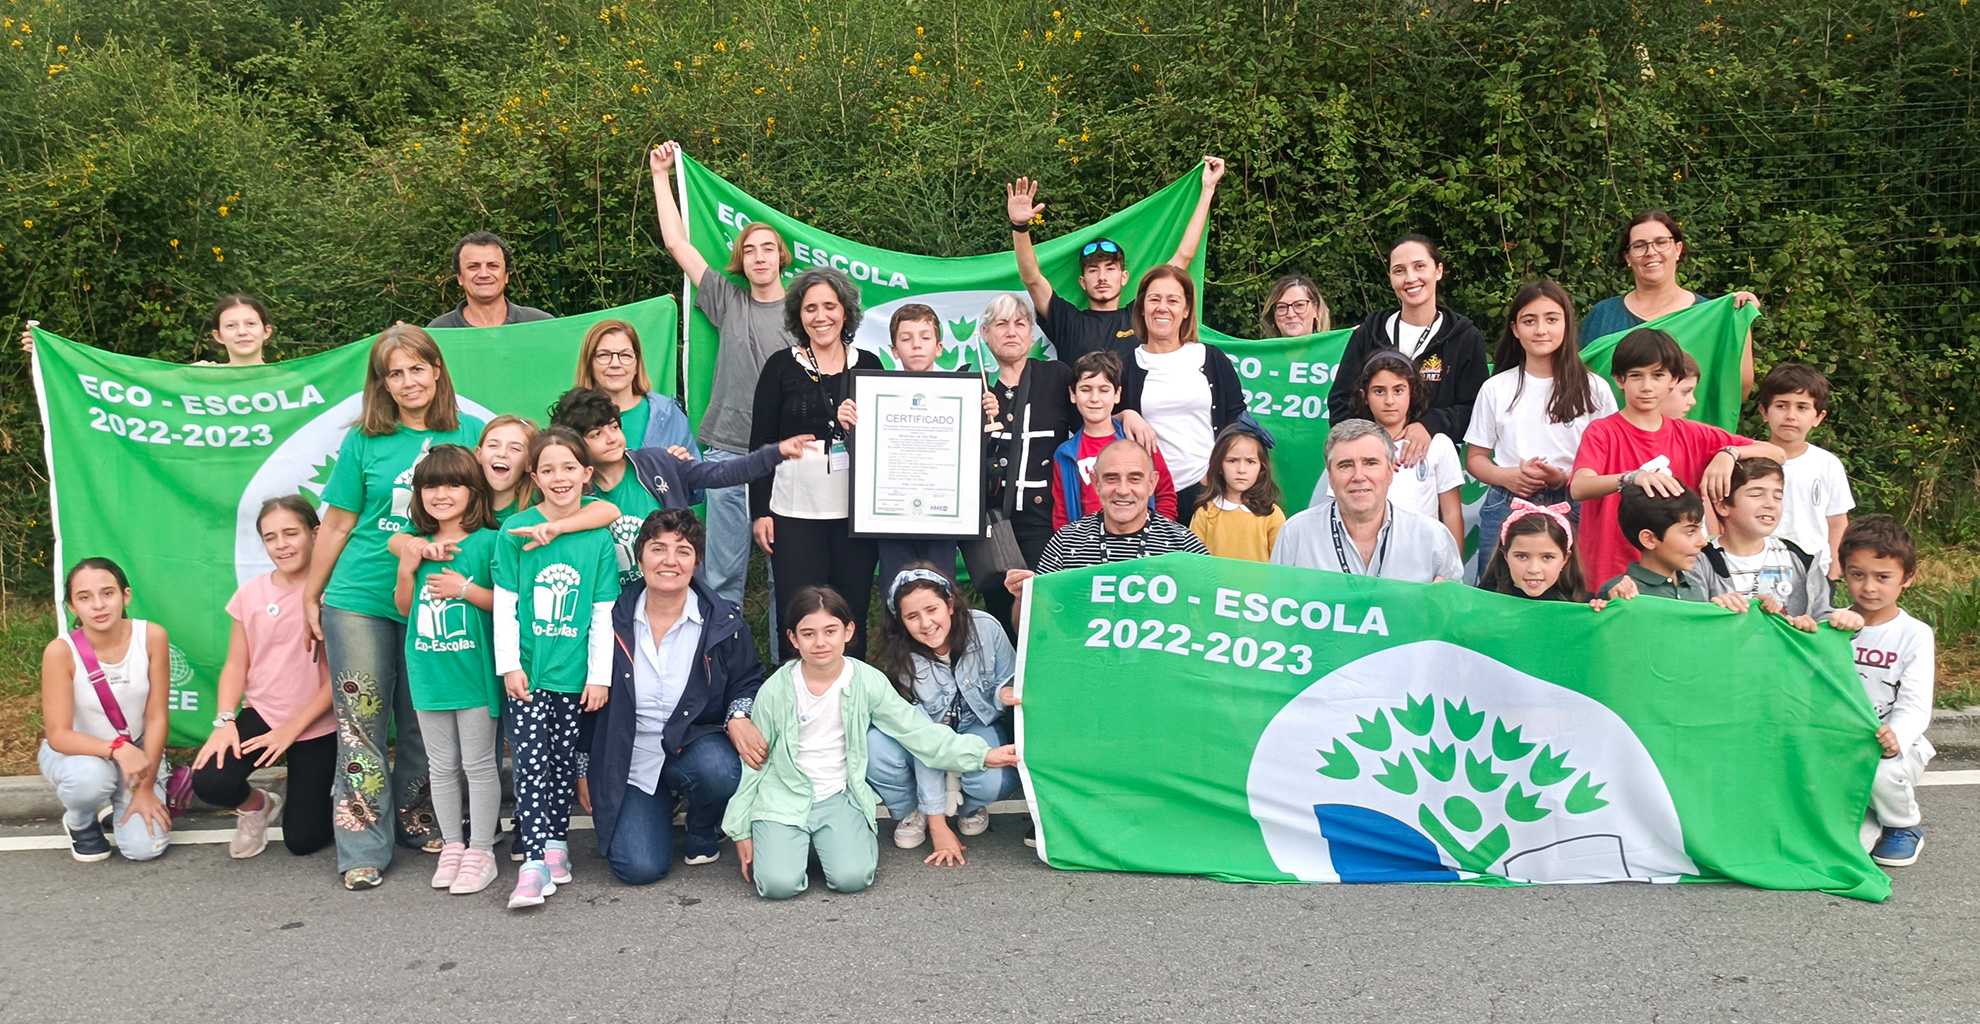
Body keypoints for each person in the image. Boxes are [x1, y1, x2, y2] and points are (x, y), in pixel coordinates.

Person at [305, 324, 485, 890]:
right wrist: (312, 592)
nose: (408, 382)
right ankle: (361, 842)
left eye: (417, 368)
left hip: (442, 599)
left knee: (421, 721)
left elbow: (506, 509)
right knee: (361, 723)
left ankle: (416, 817)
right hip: (362, 598)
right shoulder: (364, 440)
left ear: (437, 369)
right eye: (395, 373)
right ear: (383, 384)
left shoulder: (473, 432)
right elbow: (336, 522)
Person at [723, 585, 1019, 900]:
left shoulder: (866, 680)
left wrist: (982, 755)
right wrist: (741, 828)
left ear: (848, 631)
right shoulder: (776, 688)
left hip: (838, 796)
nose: (820, 642)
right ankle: (787, 841)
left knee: (853, 878)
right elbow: (755, 760)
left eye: (830, 630)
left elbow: (917, 731)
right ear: (793, 639)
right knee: (776, 885)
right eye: (808, 634)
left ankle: (840, 834)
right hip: (782, 798)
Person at [580, 509, 767, 886]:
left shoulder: (723, 621)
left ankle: (702, 826)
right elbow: (586, 698)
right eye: (657, 548)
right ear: (640, 556)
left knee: (720, 771)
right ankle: (657, 804)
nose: (669, 561)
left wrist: (738, 716)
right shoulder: (608, 618)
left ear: (697, 561)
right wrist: (584, 767)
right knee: (640, 869)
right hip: (629, 754)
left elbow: (748, 678)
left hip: (693, 744)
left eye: (683, 550)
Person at [652, 140, 794, 606]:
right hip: (727, 450)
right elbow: (677, 243)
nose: (758, 257)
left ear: (781, 257)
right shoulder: (726, 300)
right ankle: (720, 662)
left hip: (786, 455)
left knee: (787, 574)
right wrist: (661, 175)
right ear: (741, 260)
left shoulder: (806, 313)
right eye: (749, 250)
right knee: (724, 572)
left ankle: (785, 666)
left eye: (767, 249)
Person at [494, 427, 620, 908]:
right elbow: (505, 604)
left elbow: (602, 613)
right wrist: (509, 665)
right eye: (547, 469)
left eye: (569, 468)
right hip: (528, 673)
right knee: (529, 763)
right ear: (534, 476)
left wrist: (598, 675)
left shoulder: (597, 538)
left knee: (563, 762)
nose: (559, 477)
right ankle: (531, 863)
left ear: (587, 474)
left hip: (575, 675)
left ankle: (556, 845)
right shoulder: (515, 531)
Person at [1569, 328, 1783, 589]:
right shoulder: (1602, 431)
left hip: (1677, 580)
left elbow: (1777, 452)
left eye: (1658, 375)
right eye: (1636, 376)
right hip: (1611, 577)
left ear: (1673, 380)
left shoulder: (1695, 435)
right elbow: (1580, 487)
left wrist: (1729, 453)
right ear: (1619, 379)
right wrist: (1632, 477)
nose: (1647, 386)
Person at [191, 497, 336, 860]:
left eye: (291, 533)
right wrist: (225, 720)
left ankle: (328, 793)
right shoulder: (251, 593)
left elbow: (342, 679)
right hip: (265, 712)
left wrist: (292, 731)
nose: (282, 545)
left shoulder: (334, 592)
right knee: (210, 781)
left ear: (315, 533)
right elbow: (236, 665)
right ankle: (258, 805)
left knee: (303, 841)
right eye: (271, 538)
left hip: (318, 723)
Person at [550, 385, 806, 586]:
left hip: (674, 595)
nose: (611, 438)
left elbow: (721, 473)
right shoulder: (573, 493)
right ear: (576, 446)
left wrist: (774, 453)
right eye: (596, 434)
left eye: (614, 427)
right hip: (612, 610)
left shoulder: (658, 462)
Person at [749, 267, 880, 659]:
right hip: (793, 511)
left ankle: (851, 699)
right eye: (810, 309)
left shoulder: (869, 363)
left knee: (851, 609)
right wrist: (760, 511)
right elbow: (760, 443)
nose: (820, 317)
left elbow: (884, 440)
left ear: (845, 312)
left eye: (829, 306)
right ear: (798, 315)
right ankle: (793, 704)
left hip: (855, 516)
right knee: (797, 610)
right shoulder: (780, 366)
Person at [392, 445, 503, 895]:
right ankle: (452, 845)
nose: (441, 493)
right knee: (440, 767)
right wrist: (407, 567)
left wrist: (466, 589)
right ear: (418, 494)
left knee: (477, 765)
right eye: (431, 485)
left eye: (453, 484)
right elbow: (405, 607)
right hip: (428, 673)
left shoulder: (487, 542)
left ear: (473, 490)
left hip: (474, 674)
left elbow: (507, 606)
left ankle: (481, 850)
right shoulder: (416, 543)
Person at [835, 303, 999, 586]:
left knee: (941, 595)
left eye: (925, 337)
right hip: (891, 521)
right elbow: (865, 458)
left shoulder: (963, 397)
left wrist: (985, 419)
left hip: (944, 519)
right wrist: (850, 428)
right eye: (906, 338)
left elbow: (971, 456)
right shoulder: (875, 397)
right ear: (894, 350)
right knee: (896, 596)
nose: (916, 345)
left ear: (939, 347)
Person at [1005, 156, 1226, 362]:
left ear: (1124, 277)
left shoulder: (1141, 314)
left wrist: (1208, 189)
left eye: (1110, 269)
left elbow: (1183, 257)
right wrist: (1019, 226)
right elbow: (1032, 278)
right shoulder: (1067, 321)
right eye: (1093, 270)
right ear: (1082, 281)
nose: (1102, 277)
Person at [871, 565, 1021, 866]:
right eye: (912, 616)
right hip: (924, 736)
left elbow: (1010, 677)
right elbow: (922, 738)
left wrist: (1002, 694)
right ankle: (912, 809)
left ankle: (968, 806)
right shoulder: (900, 655)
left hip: (975, 723)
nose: (926, 623)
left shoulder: (986, 627)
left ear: (950, 604)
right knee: (873, 747)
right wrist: (937, 824)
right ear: (900, 621)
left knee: (996, 778)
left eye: (932, 609)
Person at [1465, 280, 1616, 567]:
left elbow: (1608, 461)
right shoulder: (1496, 388)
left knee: (1571, 597)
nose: (1541, 330)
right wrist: (1507, 476)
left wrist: (1565, 478)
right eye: (1529, 321)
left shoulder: (1593, 388)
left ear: (1567, 324)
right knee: (1498, 596)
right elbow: (1476, 458)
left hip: (1574, 503)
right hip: (1508, 502)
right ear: (1515, 329)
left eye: (1551, 319)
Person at [39, 559, 173, 863]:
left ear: (126, 596)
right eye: (85, 597)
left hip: (138, 751)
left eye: (107, 593)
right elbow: (58, 735)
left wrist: (146, 786)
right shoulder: (60, 652)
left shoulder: (152, 636)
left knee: (144, 849)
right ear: (72, 607)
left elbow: (157, 717)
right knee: (91, 779)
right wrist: (115, 749)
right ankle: (80, 820)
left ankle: (122, 801)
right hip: (79, 753)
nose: (98, 605)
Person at [1326, 234, 1489, 457]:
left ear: (1438, 270)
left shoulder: (1464, 337)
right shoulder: (1370, 333)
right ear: (1391, 278)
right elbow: (1339, 402)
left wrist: (1430, 425)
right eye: (1399, 270)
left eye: (1419, 266)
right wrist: (1372, 441)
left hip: (1432, 466)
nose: (1410, 278)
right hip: (1369, 460)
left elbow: (1476, 409)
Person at [1006, 440, 1210, 617]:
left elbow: (1214, 618)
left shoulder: (1184, 546)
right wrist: (1023, 599)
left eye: (1134, 479)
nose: (1122, 490)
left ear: (1152, 483)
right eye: (1111, 478)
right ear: (1096, 483)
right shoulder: (1066, 542)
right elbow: (1031, 628)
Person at [1834, 515, 1935, 867]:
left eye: (1883, 577)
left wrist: (1898, 736)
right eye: (1857, 574)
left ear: (1907, 578)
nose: (1869, 588)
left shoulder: (1914, 634)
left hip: (1891, 748)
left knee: (1877, 772)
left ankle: (1902, 825)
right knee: (1849, 848)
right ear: (1843, 571)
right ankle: (1869, 815)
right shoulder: (1831, 624)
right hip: (1839, 743)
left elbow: (1915, 704)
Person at [978, 293, 1080, 629]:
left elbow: (1093, 425)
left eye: (1020, 323)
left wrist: (1127, 417)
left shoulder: (1057, 376)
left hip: (1043, 520)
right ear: (984, 333)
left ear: (1032, 334)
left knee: (1042, 613)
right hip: (990, 524)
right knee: (1001, 614)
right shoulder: (973, 385)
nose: (1011, 331)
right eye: (1001, 324)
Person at [1577, 209, 1758, 398]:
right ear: (1628, 258)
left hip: (1686, 427)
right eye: (1639, 246)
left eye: (1661, 242)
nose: (1651, 252)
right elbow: (1576, 384)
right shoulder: (1603, 315)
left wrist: (1741, 321)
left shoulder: (1711, 319)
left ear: (1678, 249)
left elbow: (1739, 392)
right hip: (1614, 427)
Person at [1116, 265, 1246, 522]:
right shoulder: (1126, 366)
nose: (1162, 307)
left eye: (1173, 300)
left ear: (1186, 310)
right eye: (1154, 299)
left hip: (1208, 490)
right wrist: (1124, 414)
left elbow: (1238, 421)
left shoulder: (1212, 359)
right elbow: (1096, 421)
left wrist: (1218, 472)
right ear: (1142, 307)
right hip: (1151, 495)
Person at [1271, 419, 1463, 583]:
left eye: (1370, 463)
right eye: (1345, 465)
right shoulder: (1295, 534)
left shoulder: (1432, 538)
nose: (1359, 476)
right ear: (1330, 477)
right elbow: (1275, 610)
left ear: (1390, 472)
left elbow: (1457, 612)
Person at [1321, 350, 1464, 553]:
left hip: (1421, 556)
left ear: (1412, 392)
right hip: (1362, 557)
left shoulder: (1439, 445)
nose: (1389, 400)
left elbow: (1451, 513)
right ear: (1364, 396)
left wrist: (1453, 571)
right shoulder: (1350, 446)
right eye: (1379, 391)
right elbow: (1339, 508)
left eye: (1398, 390)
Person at [1687, 458, 1854, 632]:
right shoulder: (1698, 560)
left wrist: (1832, 622)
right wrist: (1716, 609)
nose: (1770, 504)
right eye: (1756, 494)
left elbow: (1823, 617)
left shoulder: (1800, 558)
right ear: (1723, 506)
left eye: (1778, 496)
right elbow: (1690, 622)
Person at [1050, 350, 1177, 531]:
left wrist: (1157, 538)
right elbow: (1062, 515)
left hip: (1143, 547)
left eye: (1104, 390)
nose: (1095, 398)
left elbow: (1164, 494)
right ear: (1073, 394)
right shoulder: (1065, 454)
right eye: (1086, 389)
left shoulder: (1139, 438)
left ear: (1117, 394)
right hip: (1089, 550)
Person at [1756, 363, 1853, 578]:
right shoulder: (1750, 459)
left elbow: (1837, 523)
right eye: (1781, 406)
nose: (1791, 415)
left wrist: (1834, 572)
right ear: (1764, 411)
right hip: (1757, 565)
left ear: (1818, 417)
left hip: (1815, 570)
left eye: (1802, 407)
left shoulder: (1828, 464)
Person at [1595, 483, 1750, 611]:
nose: (1702, 542)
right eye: (1690, 532)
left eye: (1700, 530)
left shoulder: (1693, 588)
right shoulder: (1619, 591)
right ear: (1649, 539)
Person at [21, 293, 279, 365]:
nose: (242, 332)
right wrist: (48, 356)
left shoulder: (293, 383)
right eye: (231, 326)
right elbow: (126, 390)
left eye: (250, 324)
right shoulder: (200, 377)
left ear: (266, 331)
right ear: (218, 336)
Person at [573, 318, 698, 456]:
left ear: (637, 365)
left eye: (625, 355)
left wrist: (687, 467)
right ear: (589, 364)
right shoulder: (572, 418)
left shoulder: (668, 414)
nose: (615, 363)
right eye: (604, 355)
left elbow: (699, 474)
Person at [1189, 424, 1286, 563]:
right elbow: (1195, 562)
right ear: (1220, 466)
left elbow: (1280, 565)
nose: (1241, 469)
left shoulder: (1271, 515)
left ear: (1261, 468)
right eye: (1232, 461)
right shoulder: (1205, 513)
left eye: (1250, 462)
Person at [1475, 501, 1593, 604]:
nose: (1534, 569)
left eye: (1547, 557)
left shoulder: (1581, 604)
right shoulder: (1483, 600)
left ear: (1565, 559)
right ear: (1506, 556)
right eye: (1522, 556)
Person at [427, 231, 553, 328]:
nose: (484, 274)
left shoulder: (541, 325)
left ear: (506, 275)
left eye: (493, 266)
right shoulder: (438, 332)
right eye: (473, 266)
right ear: (460, 277)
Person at [477, 415, 538, 525]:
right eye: (493, 445)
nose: (502, 454)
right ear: (479, 455)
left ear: (529, 463)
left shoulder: (540, 502)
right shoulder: (463, 500)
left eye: (515, 448)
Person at [1259, 274, 1332, 337]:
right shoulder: (1262, 353)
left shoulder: (1337, 350)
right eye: (1282, 307)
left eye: (1299, 305)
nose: (1291, 315)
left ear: (1316, 310)